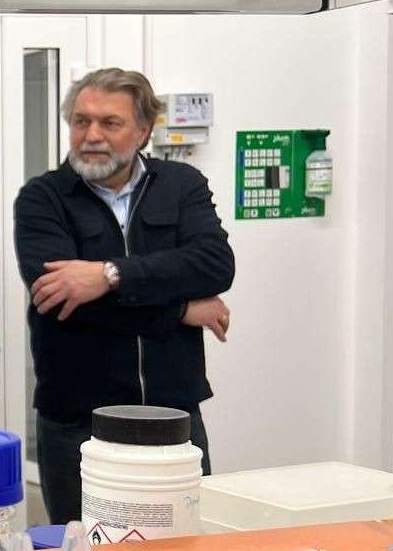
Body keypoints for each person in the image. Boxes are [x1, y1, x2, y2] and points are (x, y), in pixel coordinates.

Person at [14, 67, 235, 526]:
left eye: (109, 123)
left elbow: (215, 264)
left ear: (143, 130)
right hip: (78, 422)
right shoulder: (43, 198)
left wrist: (109, 274)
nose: (91, 135)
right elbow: (66, 306)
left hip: (173, 417)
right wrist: (180, 309)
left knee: (187, 548)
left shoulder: (181, 184)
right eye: (81, 121)